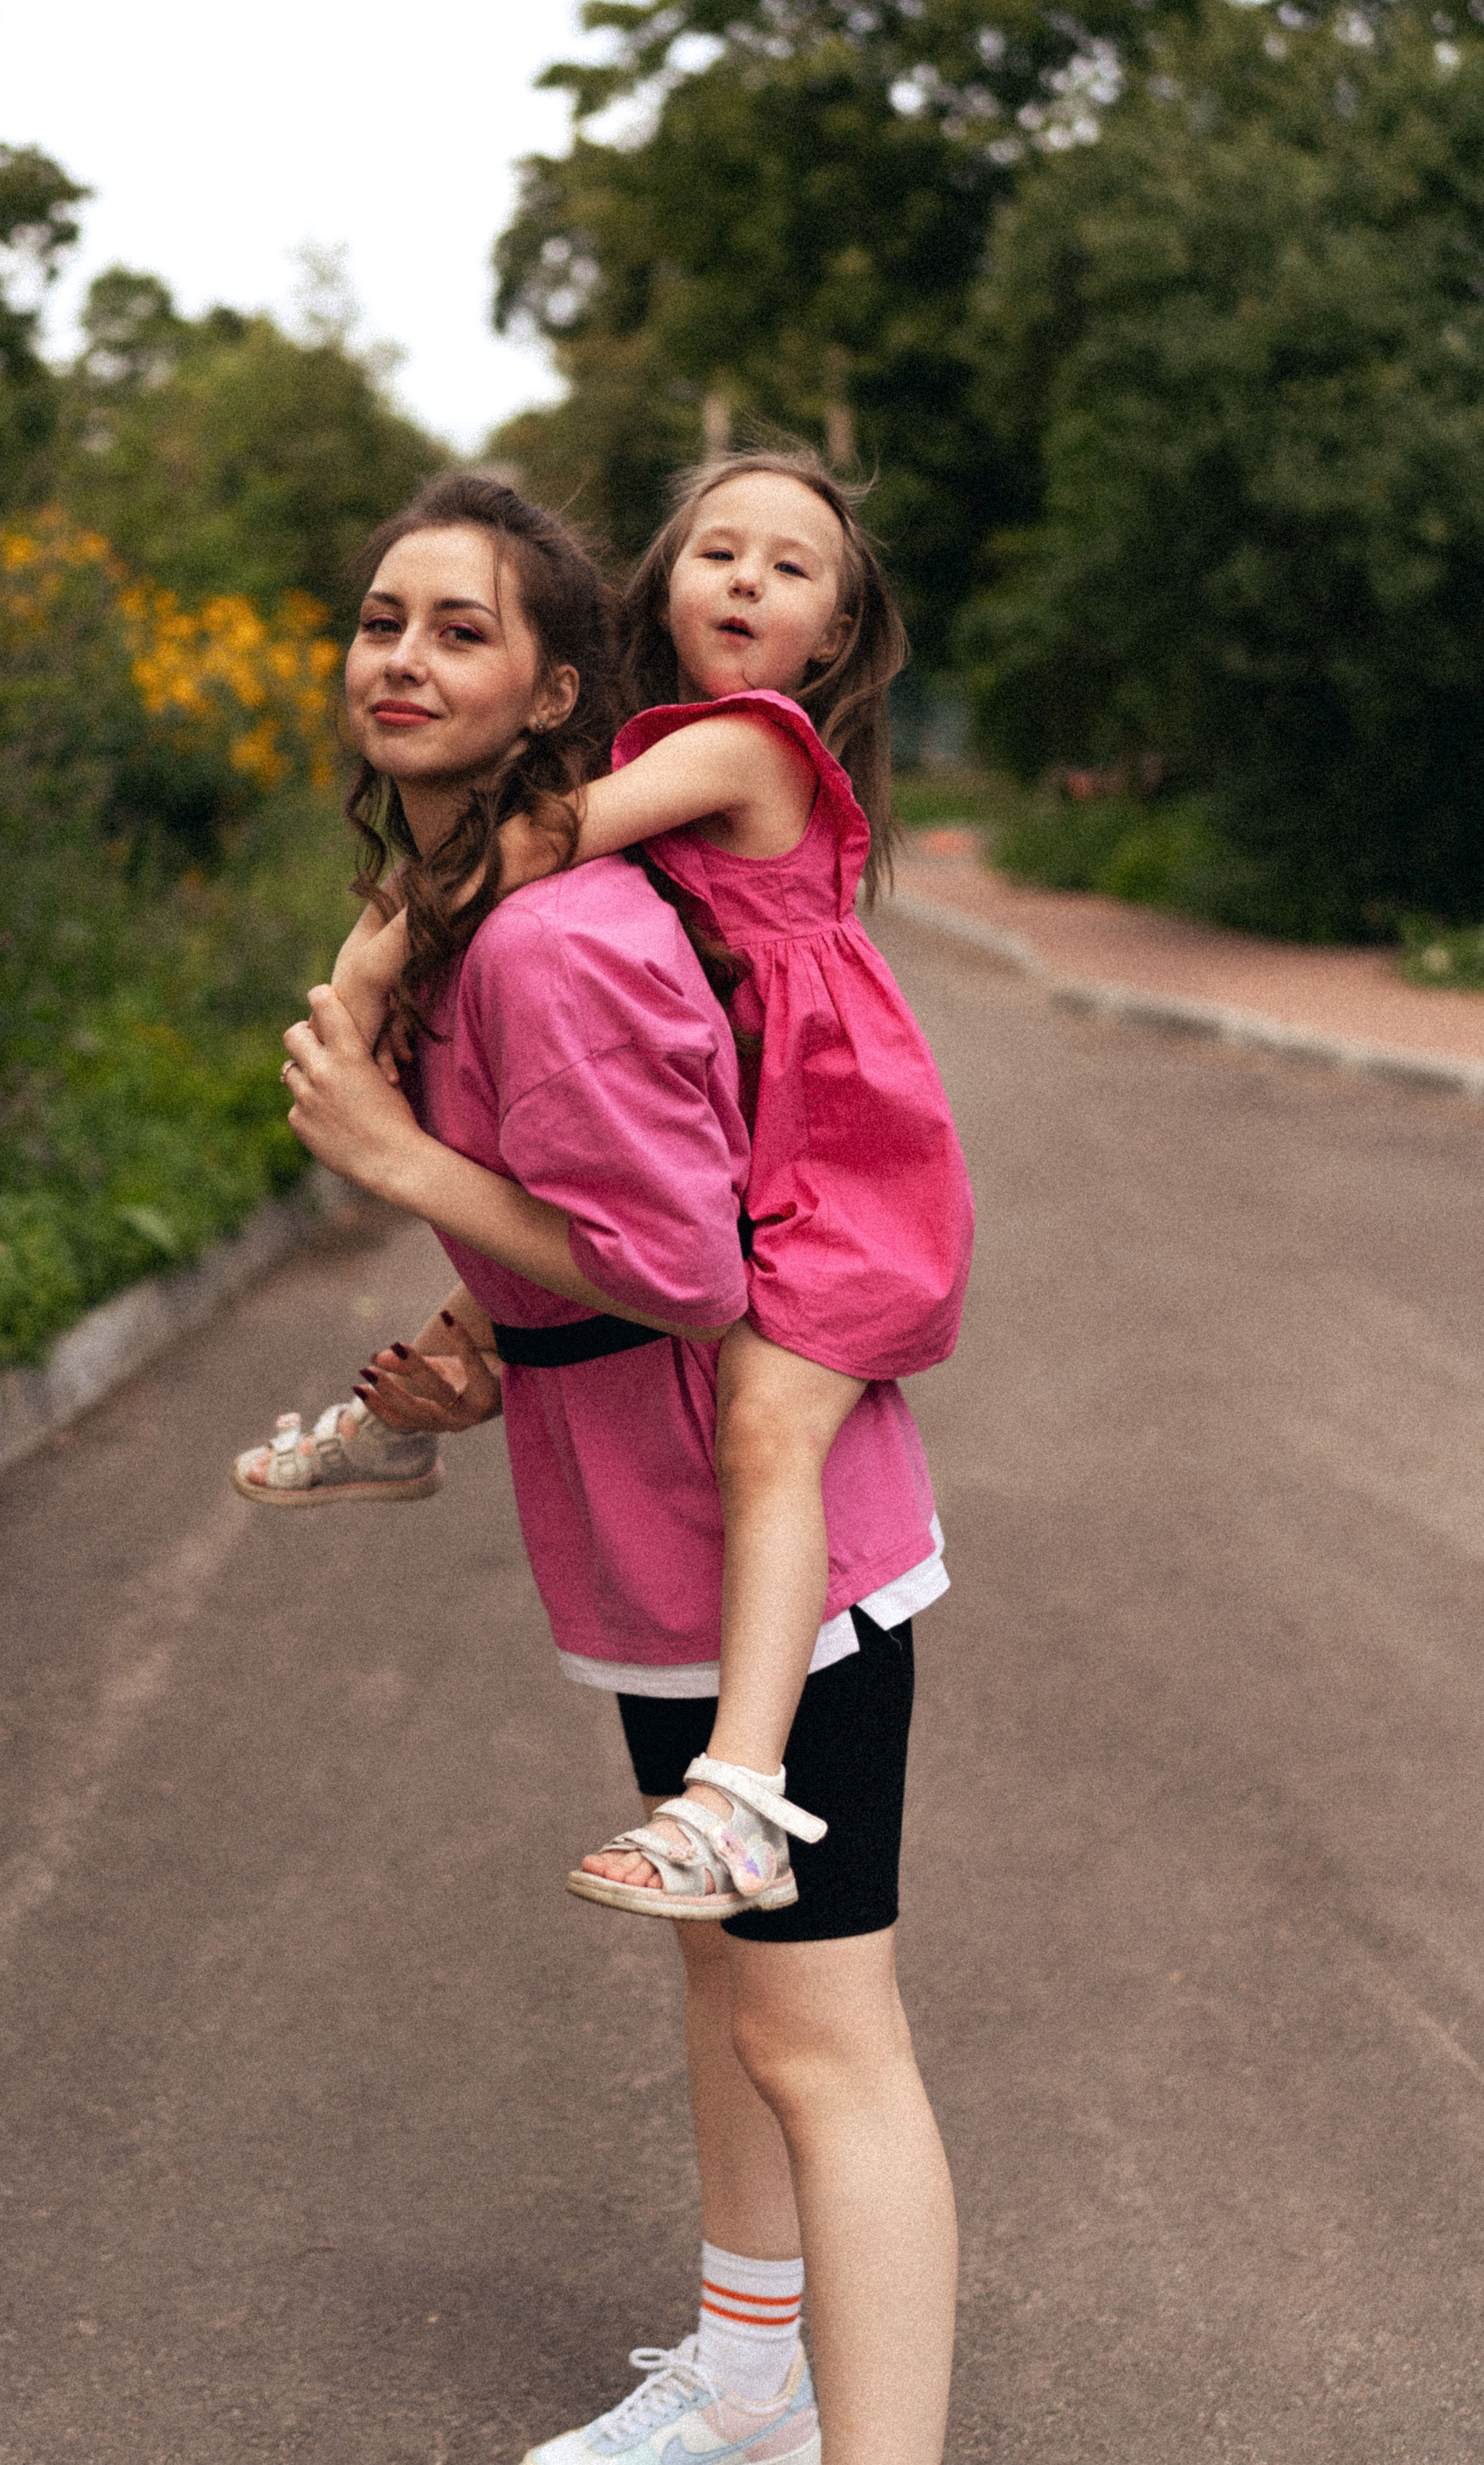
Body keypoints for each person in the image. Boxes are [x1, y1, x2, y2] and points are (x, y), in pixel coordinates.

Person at [261, 471, 958, 2465]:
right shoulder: (512, 915)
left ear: (562, 686)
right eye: (380, 618)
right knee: (737, 1994)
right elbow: (594, 1229)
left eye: (459, 628)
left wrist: (391, 1149)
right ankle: (749, 2387)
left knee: (825, 2044)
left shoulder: (557, 927)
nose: (401, 658)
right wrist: (474, 1357)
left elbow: (680, 1265)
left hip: (784, 1568)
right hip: (651, 1545)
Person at [250, 451, 972, 1925]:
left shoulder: (753, 745)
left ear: (833, 635)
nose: (746, 581)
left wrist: (364, 971)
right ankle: (394, 1421)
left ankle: (743, 1798)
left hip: (844, 1183)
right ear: (663, 584)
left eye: (789, 567)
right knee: (539, 1232)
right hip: (762, 1150)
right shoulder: (658, 760)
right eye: (717, 552)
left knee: (765, 1427)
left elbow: (536, 839)